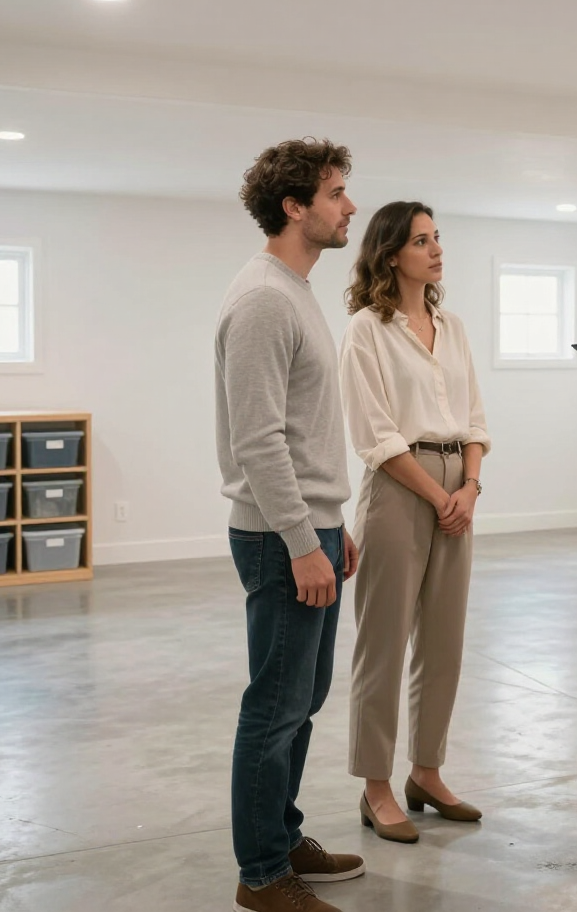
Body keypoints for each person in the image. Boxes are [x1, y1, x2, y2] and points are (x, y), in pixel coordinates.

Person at [215, 138, 364, 912]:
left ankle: (281, 831)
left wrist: (331, 523)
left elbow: (301, 429)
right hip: (280, 537)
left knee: (300, 700)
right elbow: (259, 440)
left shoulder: (295, 289)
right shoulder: (266, 298)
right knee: (274, 705)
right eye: (336, 193)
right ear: (294, 206)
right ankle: (262, 873)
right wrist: (305, 541)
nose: (349, 207)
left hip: (308, 528)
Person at [339, 201, 491, 843]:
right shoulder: (366, 330)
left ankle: (426, 772)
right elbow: (374, 433)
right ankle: (376, 787)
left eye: (437, 238)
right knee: (383, 642)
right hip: (402, 490)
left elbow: (475, 418)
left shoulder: (451, 326)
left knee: (443, 641)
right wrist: (438, 493)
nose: (435, 250)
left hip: (459, 487)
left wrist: (471, 487)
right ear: (391, 253)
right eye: (421, 241)